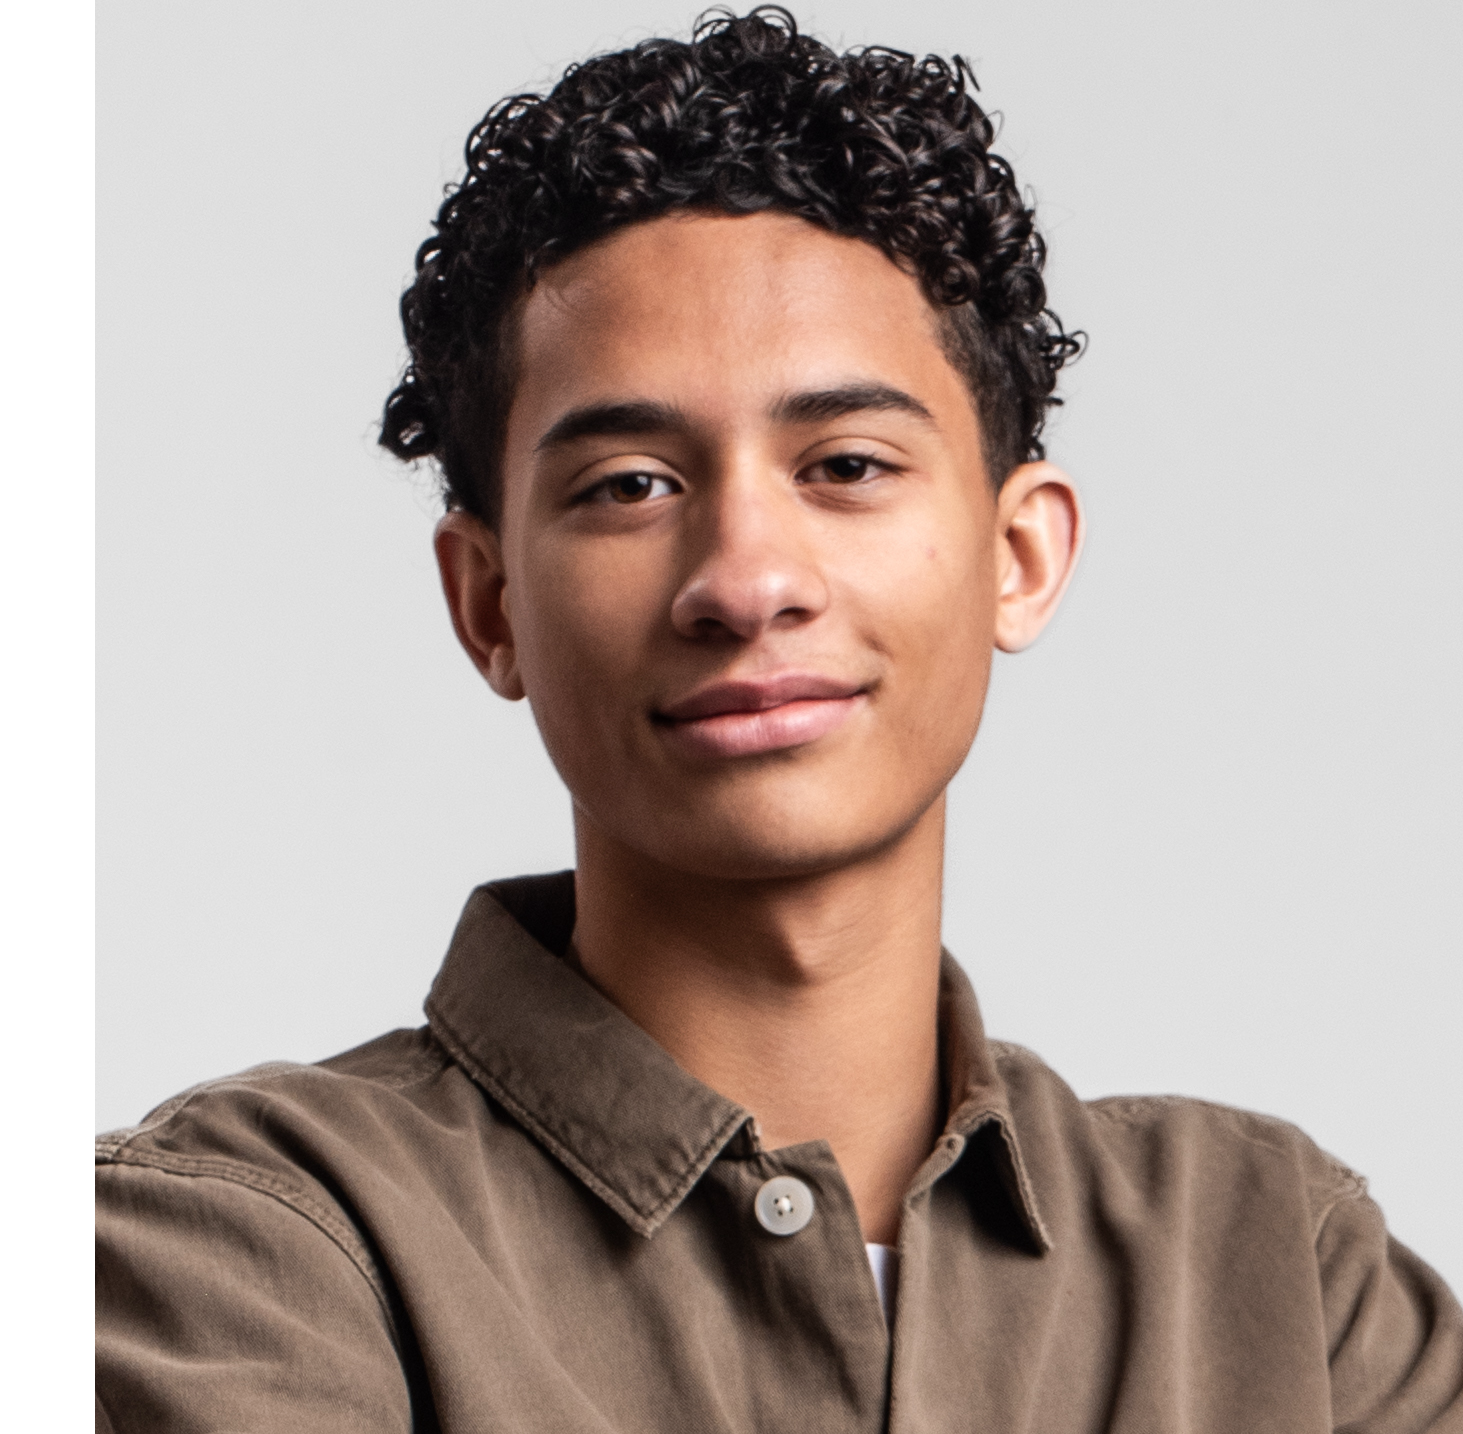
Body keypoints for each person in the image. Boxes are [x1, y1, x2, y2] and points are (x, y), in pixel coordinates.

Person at [94, 9, 1462, 1430]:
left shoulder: (1284, 1282)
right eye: (629, 484)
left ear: (1019, 554)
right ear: (489, 601)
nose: (747, 581)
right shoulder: (246, 1248)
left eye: (848, 465)